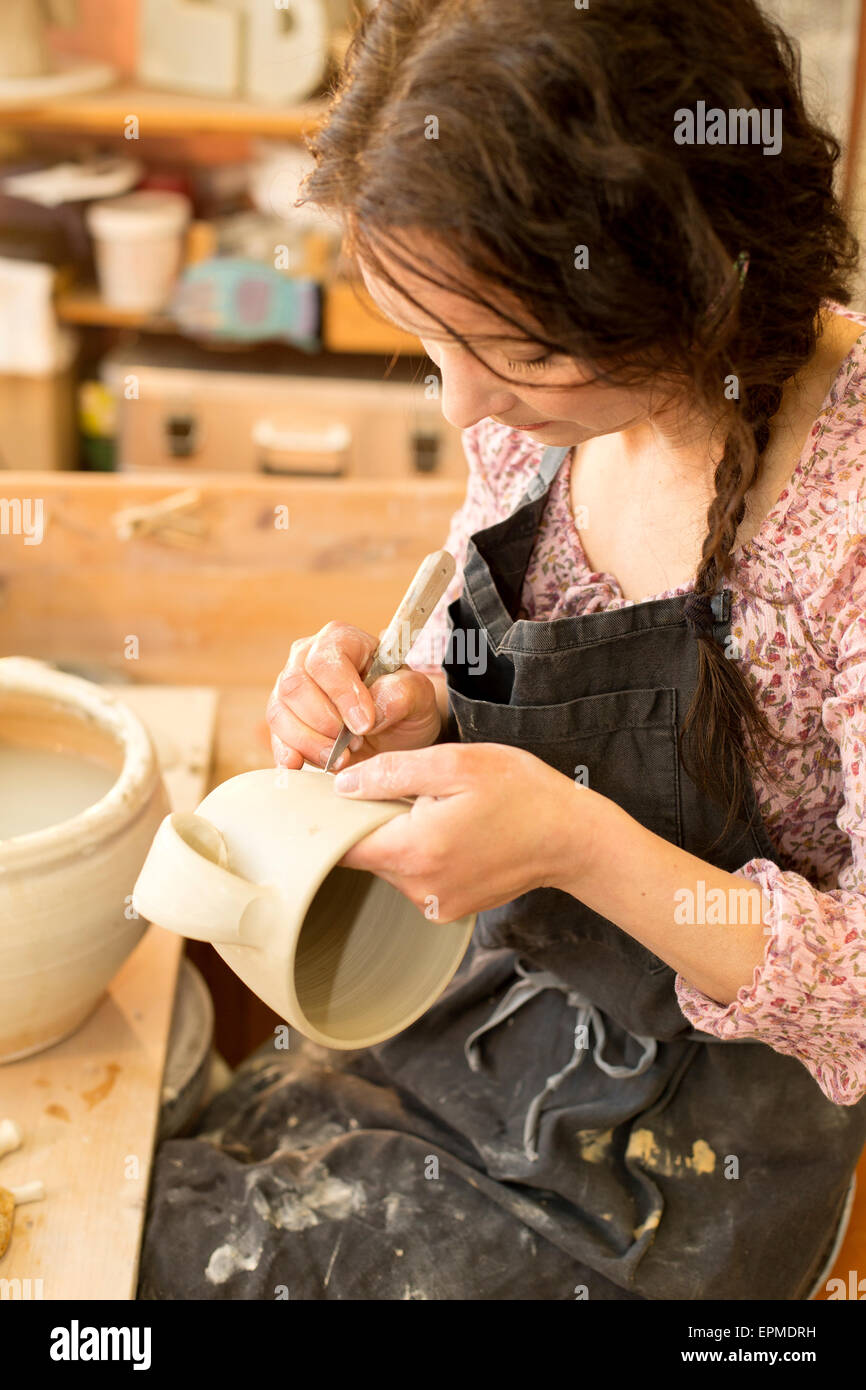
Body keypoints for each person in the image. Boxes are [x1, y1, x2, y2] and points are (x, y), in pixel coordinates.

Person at [139, 0, 866, 1300]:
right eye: (434, 345)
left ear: (692, 267)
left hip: (682, 1162)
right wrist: (415, 701)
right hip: (486, 1018)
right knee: (147, 1214)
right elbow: (482, 638)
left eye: (515, 350)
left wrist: (575, 840)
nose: (464, 405)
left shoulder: (843, 523)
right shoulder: (535, 410)